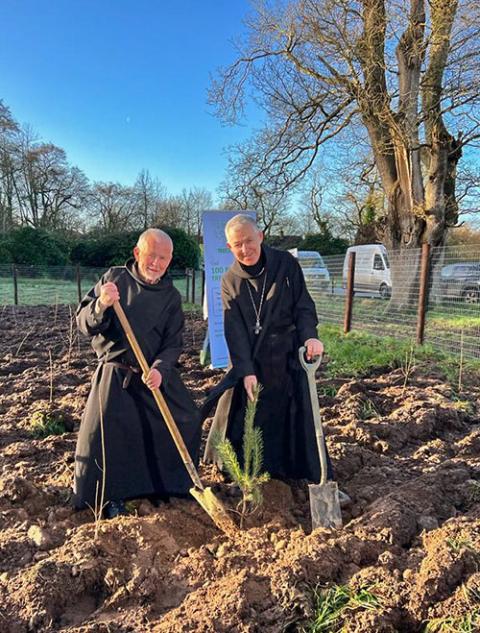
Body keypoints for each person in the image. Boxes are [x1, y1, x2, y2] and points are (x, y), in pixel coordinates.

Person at [74, 228, 201, 518]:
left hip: (152, 377)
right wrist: (101, 304)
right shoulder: (114, 279)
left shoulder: (171, 296)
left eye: (163, 258)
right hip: (116, 375)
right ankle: (111, 496)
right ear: (137, 253)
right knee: (107, 435)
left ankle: (164, 486)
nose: (156, 263)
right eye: (151, 255)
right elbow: (84, 323)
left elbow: (173, 342)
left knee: (187, 418)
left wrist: (160, 369)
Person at [203, 214, 334, 484]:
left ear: (260, 236)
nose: (245, 249)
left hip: (288, 353)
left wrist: (310, 336)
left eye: (249, 241)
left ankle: (311, 475)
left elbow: (303, 306)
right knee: (245, 413)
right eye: (237, 244)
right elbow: (234, 329)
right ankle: (246, 472)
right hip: (251, 356)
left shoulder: (285, 264)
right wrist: (246, 371)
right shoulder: (229, 280)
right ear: (229, 247)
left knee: (299, 416)